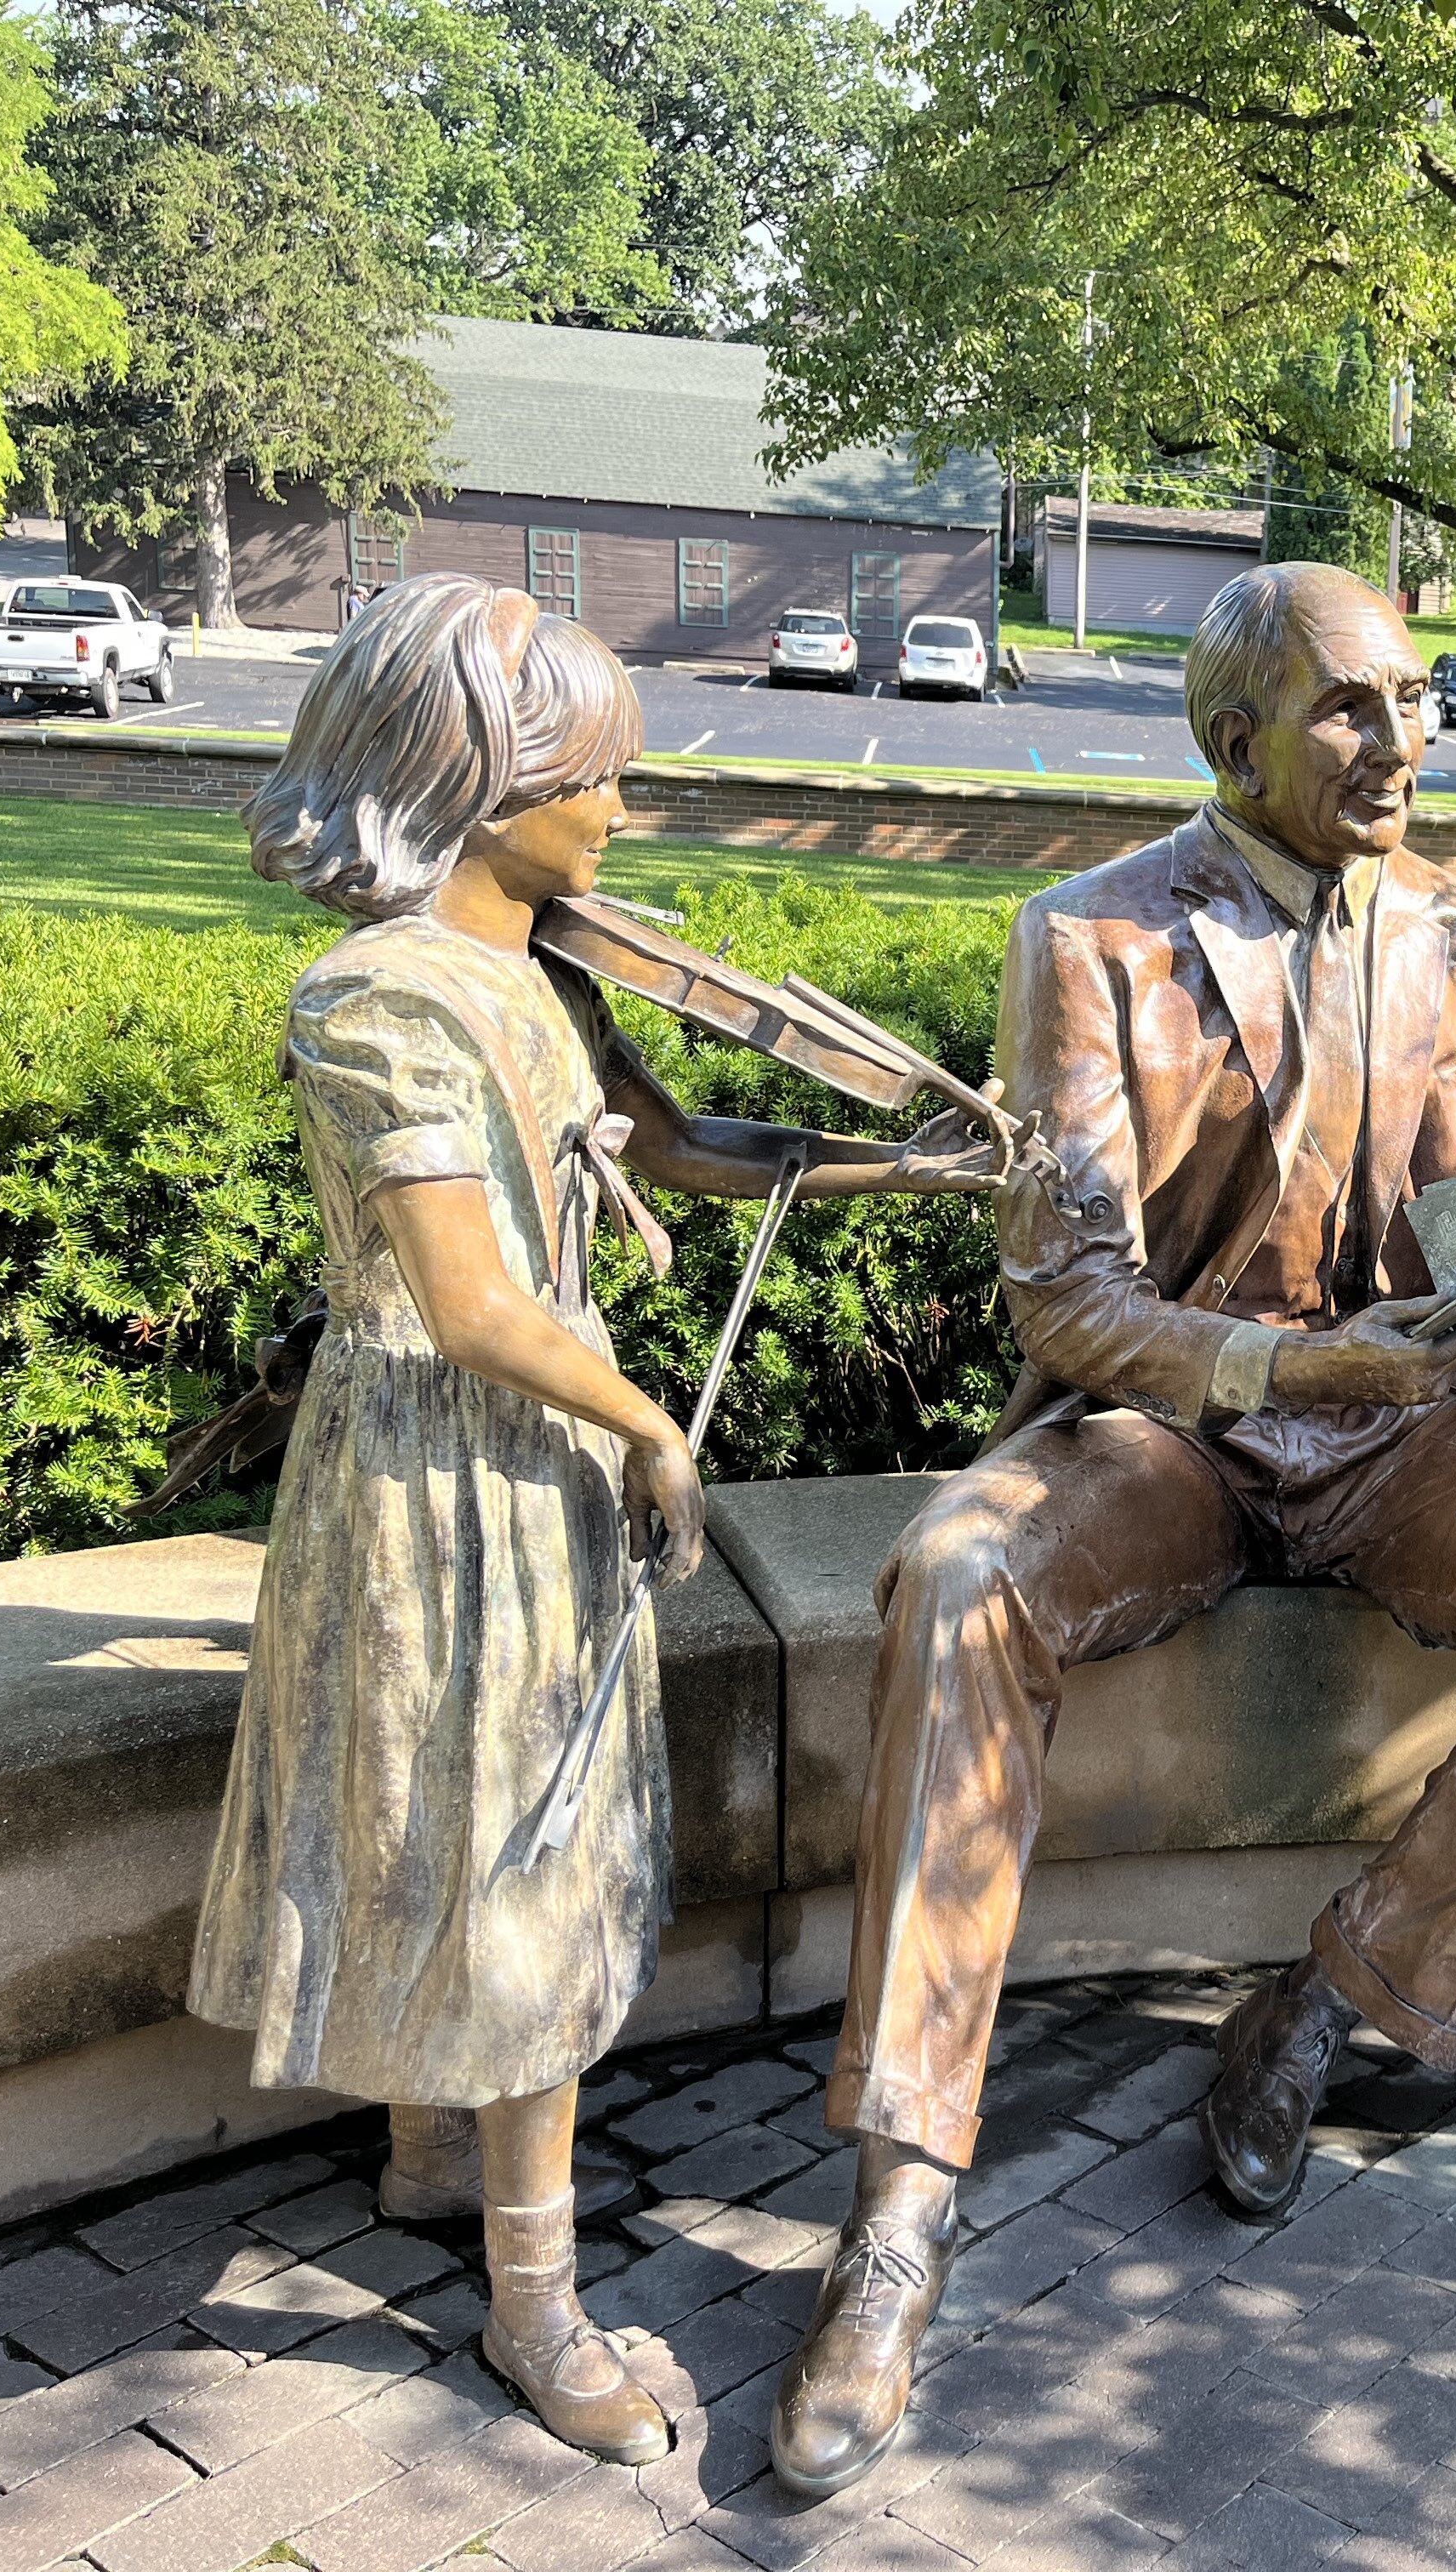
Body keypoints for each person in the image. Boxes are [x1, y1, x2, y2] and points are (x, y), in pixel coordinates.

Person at [770, 560, 1456, 2498]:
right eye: (1351, 709)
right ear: (1235, 740)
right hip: (1181, 1426)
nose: (1401, 742)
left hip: (1416, 1440)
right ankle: (897, 2210)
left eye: (1416, 699)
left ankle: (1331, 2000)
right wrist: (1287, 1379)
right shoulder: (1090, 940)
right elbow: (1068, 1301)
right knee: (958, 1578)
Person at [191, 576, 991, 2460]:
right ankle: (533, 2304)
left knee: (482, 1829)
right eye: (599, 777)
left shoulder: (539, 970)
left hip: (525, 1456)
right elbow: (470, 1303)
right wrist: (652, 1421)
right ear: (484, 778)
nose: (624, 813)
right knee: (492, 1845)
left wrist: (929, 1164)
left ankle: (428, 2171)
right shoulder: (377, 996)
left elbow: (692, 1158)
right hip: (441, 1474)